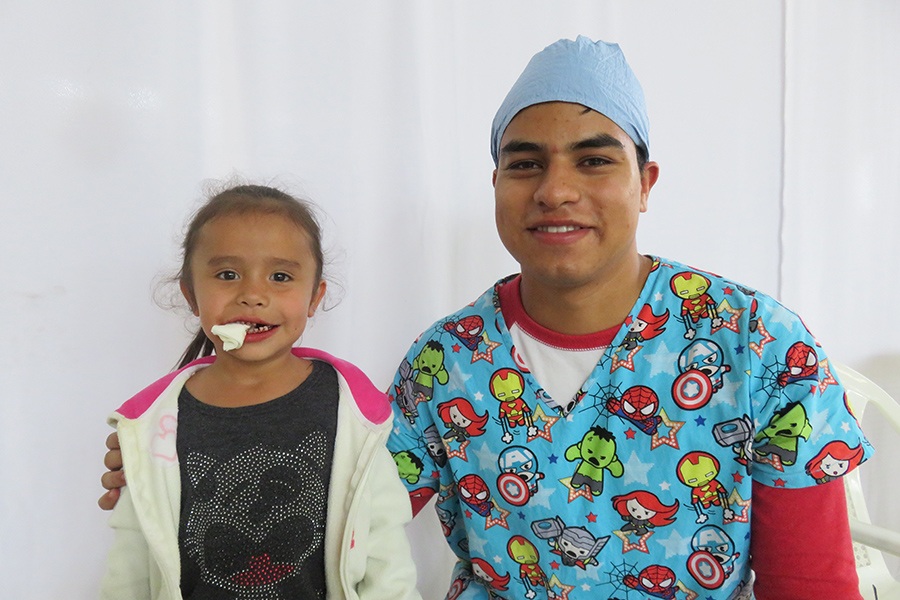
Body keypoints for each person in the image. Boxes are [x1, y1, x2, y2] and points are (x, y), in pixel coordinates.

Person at [101, 37, 871, 600]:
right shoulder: (445, 365)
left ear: (646, 182)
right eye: (526, 162)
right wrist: (187, 462)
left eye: (595, 160)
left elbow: (813, 582)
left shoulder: (758, 347)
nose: (556, 189)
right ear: (497, 182)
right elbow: (338, 512)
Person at [99, 184, 420, 600]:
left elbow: (386, 555)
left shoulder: (352, 412)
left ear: (314, 296)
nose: (253, 294)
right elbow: (129, 567)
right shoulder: (154, 425)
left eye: (281, 276)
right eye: (227, 274)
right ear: (191, 295)